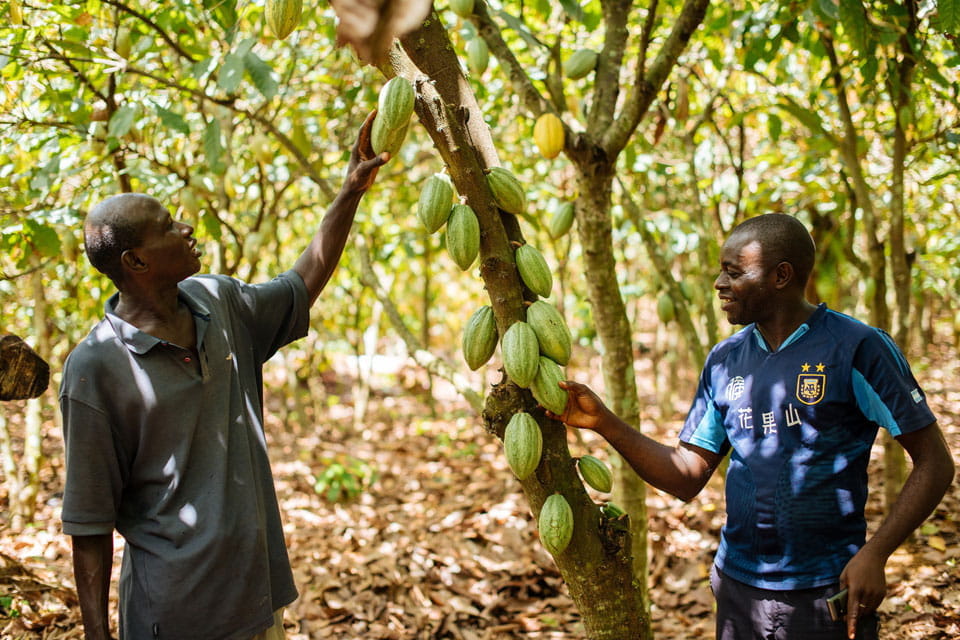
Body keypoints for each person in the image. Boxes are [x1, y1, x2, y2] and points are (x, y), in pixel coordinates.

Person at [59, 113, 387, 640]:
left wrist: (350, 190)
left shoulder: (220, 301)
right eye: (168, 227)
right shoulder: (96, 367)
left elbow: (301, 281)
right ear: (135, 261)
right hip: (175, 614)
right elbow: (90, 523)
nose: (186, 229)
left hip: (258, 599)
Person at [550, 214, 955, 640]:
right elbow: (686, 475)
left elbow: (935, 463)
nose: (719, 284)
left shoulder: (855, 347)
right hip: (738, 586)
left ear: (782, 275)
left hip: (825, 588)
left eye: (733, 272)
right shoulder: (725, 360)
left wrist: (876, 554)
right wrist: (603, 422)